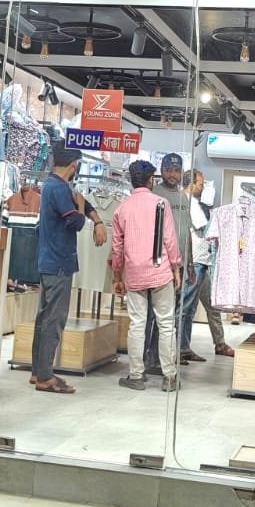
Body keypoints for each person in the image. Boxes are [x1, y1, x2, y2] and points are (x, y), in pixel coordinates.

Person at [32, 147, 105, 393]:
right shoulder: (59, 189)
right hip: (59, 262)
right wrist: (82, 209)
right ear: (74, 165)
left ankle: (38, 370)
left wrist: (95, 217)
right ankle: (45, 376)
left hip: (49, 260)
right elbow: (75, 221)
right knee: (53, 319)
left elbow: (81, 204)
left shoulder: (52, 185)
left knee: (44, 318)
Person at [110, 159, 182, 392]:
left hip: (134, 272)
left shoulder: (121, 208)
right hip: (160, 270)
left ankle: (136, 375)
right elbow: (170, 239)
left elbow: (117, 248)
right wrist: (176, 267)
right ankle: (169, 377)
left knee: (137, 324)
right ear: (151, 180)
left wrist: (117, 276)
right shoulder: (161, 203)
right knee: (166, 323)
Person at [178, 168, 234, 361]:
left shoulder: (193, 203)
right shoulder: (188, 203)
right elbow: (204, 229)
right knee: (187, 306)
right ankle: (180, 348)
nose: (203, 188)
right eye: (201, 184)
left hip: (202, 260)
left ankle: (215, 343)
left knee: (206, 304)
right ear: (192, 183)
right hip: (195, 261)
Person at [144, 153, 191, 375]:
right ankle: (147, 359)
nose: (172, 174)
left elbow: (186, 231)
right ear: (161, 171)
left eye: (176, 170)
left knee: (169, 316)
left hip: (178, 265)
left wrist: (188, 262)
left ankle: (159, 360)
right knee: (152, 315)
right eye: (168, 170)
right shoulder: (154, 194)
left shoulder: (184, 198)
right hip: (158, 264)